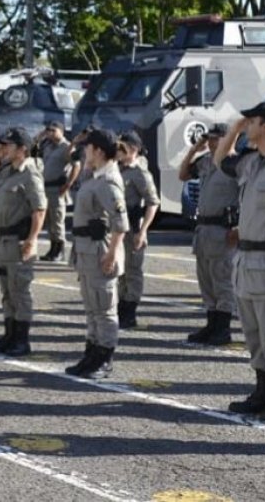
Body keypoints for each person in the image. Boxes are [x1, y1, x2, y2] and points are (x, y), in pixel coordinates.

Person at [214, 101, 265, 421]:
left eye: (252, 121)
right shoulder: (252, 163)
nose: (247, 125)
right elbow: (221, 160)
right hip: (246, 262)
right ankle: (262, 392)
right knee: (254, 334)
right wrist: (233, 130)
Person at [65, 128, 129, 379]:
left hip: (100, 250)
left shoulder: (108, 181)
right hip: (86, 250)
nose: (85, 152)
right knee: (92, 307)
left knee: (104, 308)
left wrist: (112, 254)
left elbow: (120, 222)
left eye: (88, 148)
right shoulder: (94, 177)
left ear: (99, 151)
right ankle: (91, 354)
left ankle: (104, 358)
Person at [0, 128, 46, 356]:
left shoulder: (30, 174)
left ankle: (22, 339)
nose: (5, 148)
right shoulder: (8, 171)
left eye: (9, 145)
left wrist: (32, 240)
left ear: (23, 150)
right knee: (7, 292)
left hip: (19, 241)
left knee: (20, 292)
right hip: (3, 240)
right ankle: (9, 335)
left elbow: (40, 210)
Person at [178, 123, 239, 345]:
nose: (211, 143)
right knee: (206, 282)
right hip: (203, 229)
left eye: (215, 139)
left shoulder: (235, 164)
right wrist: (194, 150)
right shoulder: (205, 161)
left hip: (224, 230)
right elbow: (183, 174)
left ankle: (222, 329)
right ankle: (211, 324)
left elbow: (247, 194)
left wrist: (240, 226)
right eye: (209, 139)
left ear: (226, 139)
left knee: (222, 281)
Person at [116, 131, 159, 329]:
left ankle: (129, 311)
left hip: (133, 228)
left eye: (123, 148)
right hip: (118, 229)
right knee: (120, 272)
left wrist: (142, 231)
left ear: (134, 150)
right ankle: (121, 307)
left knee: (133, 272)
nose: (118, 151)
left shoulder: (139, 172)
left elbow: (152, 203)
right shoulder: (116, 169)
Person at [38, 121, 80, 262]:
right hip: (46, 187)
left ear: (61, 131)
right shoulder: (48, 146)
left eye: (53, 130)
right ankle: (53, 247)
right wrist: (41, 135)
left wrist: (68, 184)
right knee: (49, 220)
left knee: (57, 220)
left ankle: (59, 250)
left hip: (58, 188)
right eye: (48, 130)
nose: (50, 133)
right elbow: (32, 147)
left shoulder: (66, 147)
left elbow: (76, 165)